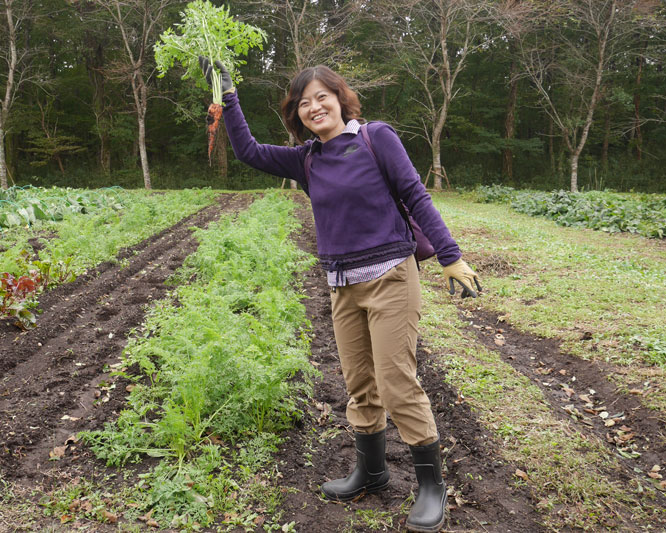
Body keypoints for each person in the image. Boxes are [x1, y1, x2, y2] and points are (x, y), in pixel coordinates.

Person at [200, 58, 481, 533]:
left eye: (321, 97)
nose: (314, 107)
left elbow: (415, 194)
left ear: (340, 98)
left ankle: (431, 487)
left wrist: (451, 256)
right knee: (359, 384)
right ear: (298, 115)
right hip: (342, 285)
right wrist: (227, 92)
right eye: (303, 103)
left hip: (392, 276)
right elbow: (247, 150)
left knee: (396, 381)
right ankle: (371, 473)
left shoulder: (376, 138)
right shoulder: (307, 159)